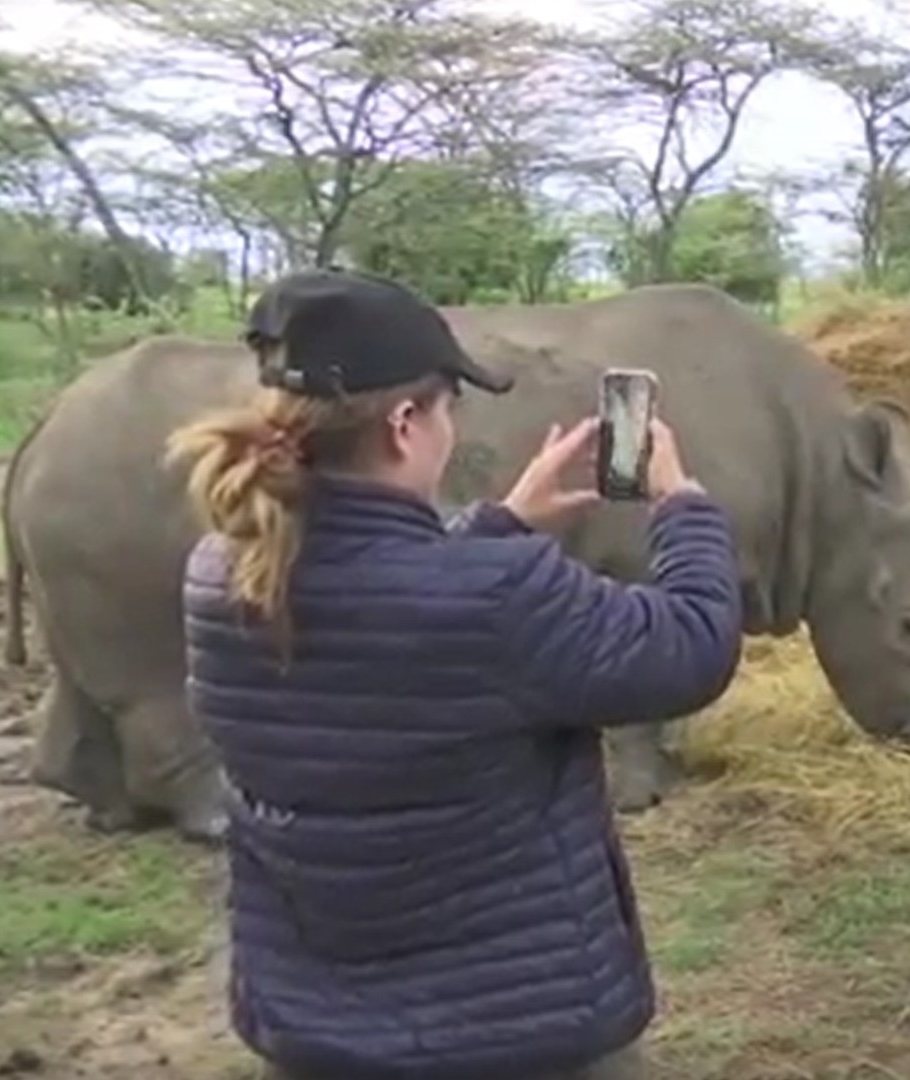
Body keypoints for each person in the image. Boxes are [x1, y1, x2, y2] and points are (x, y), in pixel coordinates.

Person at [166, 268, 744, 1080]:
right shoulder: (500, 596)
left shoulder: (221, 572)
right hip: (518, 1037)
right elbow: (690, 647)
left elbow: (387, 619)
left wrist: (499, 526)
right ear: (405, 424)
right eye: (448, 407)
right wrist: (682, 506)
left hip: (317, 1035)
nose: (450, 427)